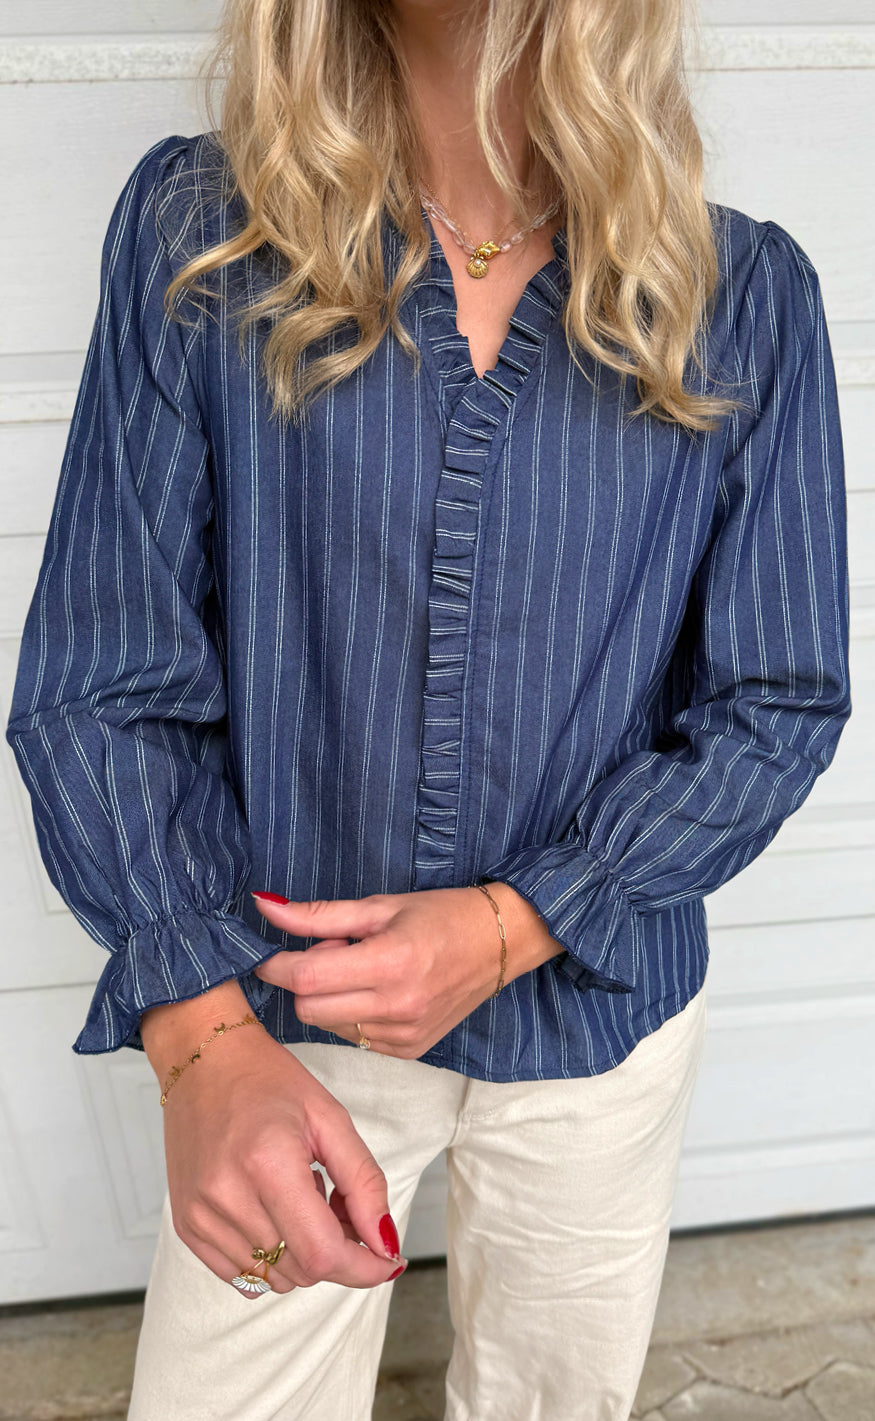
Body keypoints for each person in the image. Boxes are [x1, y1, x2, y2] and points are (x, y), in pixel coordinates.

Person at [4, 0, 851, 1417]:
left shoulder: (742, 297)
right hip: (286, 1012)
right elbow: (103, 674)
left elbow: (777, 699)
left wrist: (522, 917)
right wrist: (201, 1041)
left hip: (600, 1020)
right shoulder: (203, 238)